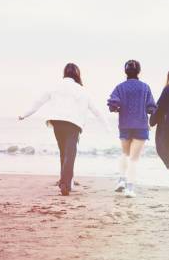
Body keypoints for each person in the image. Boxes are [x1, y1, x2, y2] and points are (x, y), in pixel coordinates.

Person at [19, 63, 109, 196]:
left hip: (57, 123)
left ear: (64, 73)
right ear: (77, 74)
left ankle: (65, 181)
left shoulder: (55, 87)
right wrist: (107, 126)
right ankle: (65, 184)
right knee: (70, 154)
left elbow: (38, 102)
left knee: (63, 153)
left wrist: (24, 115)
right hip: (73, 124)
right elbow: (96, 110)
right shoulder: (82, 90)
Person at [107, 60, 157, 198]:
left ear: (125, 72)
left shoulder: (120, 87)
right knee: (134, 159)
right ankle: (130, 188)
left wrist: (116, 108)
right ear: (139, 72)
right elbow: (151, 107)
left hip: (125, 124)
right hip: (140, 125)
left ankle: (121, 180)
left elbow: (113, 103)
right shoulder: (145, 87)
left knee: (125, 153)